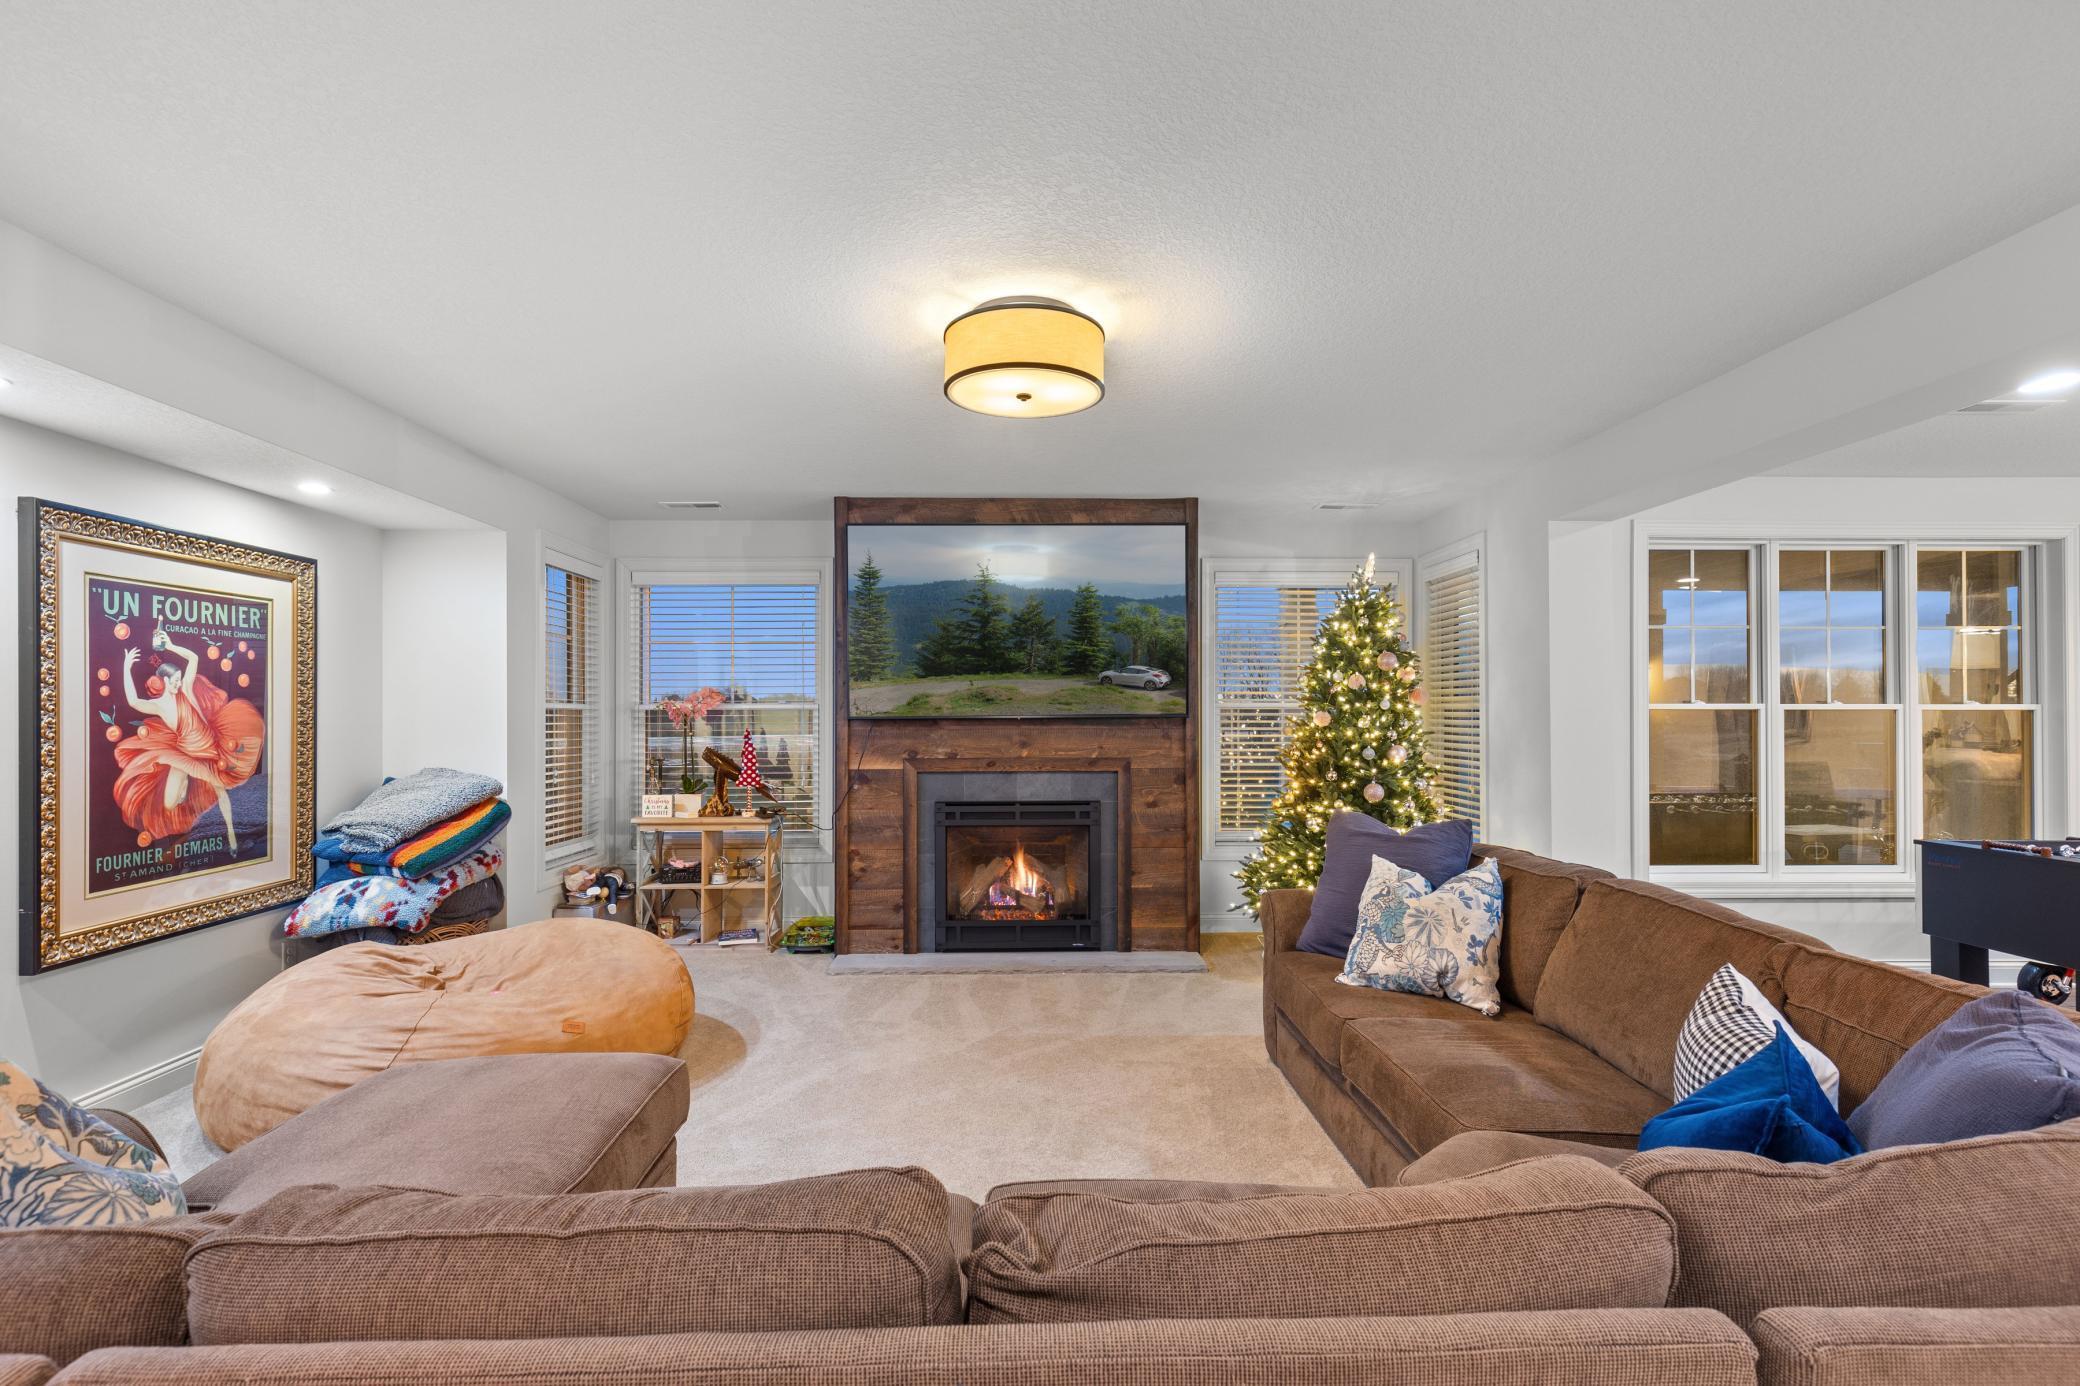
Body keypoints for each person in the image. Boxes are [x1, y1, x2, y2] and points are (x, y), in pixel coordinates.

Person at [113, 622, 265, 850]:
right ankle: (185, 789)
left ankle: (233, 838)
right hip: (186, 754)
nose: (177, 684)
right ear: (164, 681)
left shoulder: (185, 689)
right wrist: (126, 667)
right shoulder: (160, 706)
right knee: (170, 802)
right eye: (173, 681)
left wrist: (171, 645)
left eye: (178, 680)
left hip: (210, 750)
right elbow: (134, 701)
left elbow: (193, 658)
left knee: (221, 792)